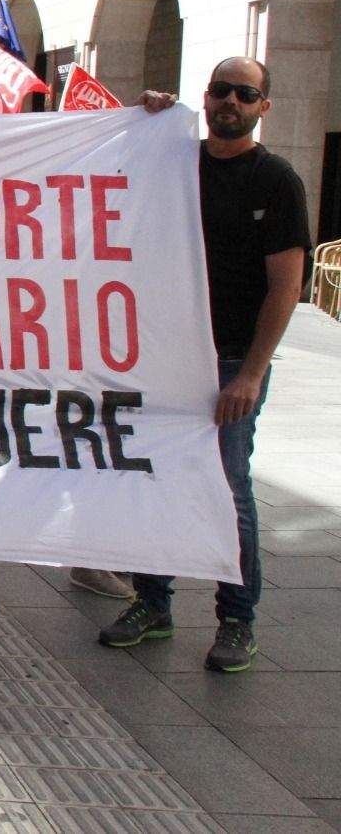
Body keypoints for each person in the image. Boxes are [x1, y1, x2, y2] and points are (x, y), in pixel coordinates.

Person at [101, 56, 309, 672]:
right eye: (222, 91)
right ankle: (154, 602)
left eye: (246, 94)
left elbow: (286, 286)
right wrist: (146, 121)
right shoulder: (175, 161)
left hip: (232, 360)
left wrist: (250, 374)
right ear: (206, 96)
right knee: (152, 478)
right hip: (162, 354)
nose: (231, 103)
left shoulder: (276, 181)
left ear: (262, 108)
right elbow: (104, 176)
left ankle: (238, 620)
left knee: (228, 488)